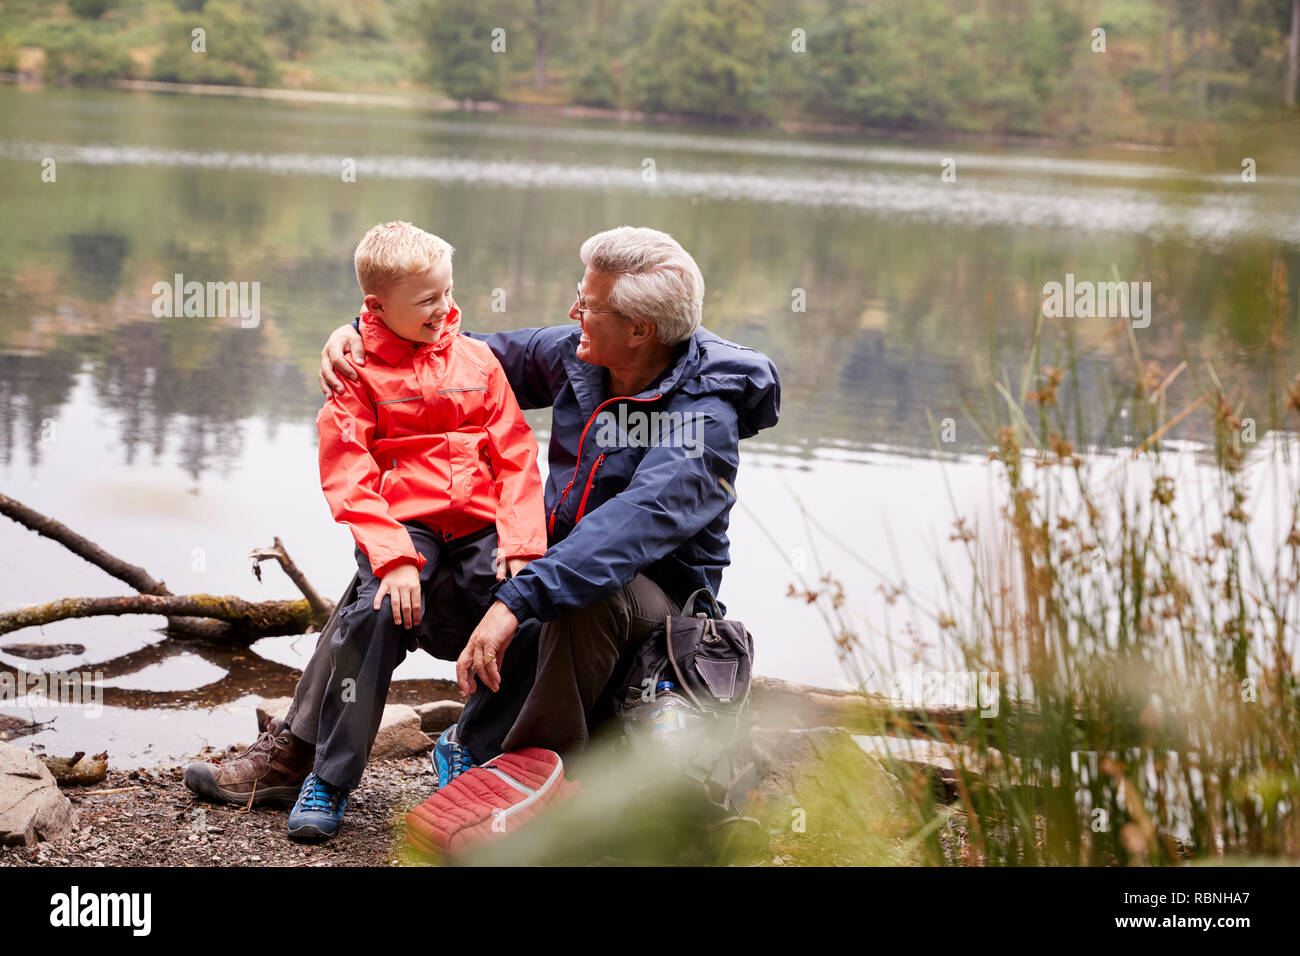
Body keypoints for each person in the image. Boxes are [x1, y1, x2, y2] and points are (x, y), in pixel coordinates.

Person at [186, 226, 780, 822]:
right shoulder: (582, 355)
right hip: (555, 576)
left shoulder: (704, 421)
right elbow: (444, 354)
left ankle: (510, 770)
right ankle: (301, 750)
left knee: (583, 587)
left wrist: (514, 601)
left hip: (646, 616)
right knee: (394, 570)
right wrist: (357, 337)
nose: (574, 312)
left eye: (588, 306)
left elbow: (623, 535)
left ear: (640, 330)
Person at [184, 221, 546, 843]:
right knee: (372, 615)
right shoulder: (355, 373)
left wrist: (519, 545)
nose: (445, 309)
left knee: (528, 613)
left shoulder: (479, 360)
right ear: (376, 308)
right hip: (404, 525)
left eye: (448, 292)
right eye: (428, 300)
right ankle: (328, 775)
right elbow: (347, 472)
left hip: (484, 524)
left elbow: (515, 456)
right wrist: (394, 556)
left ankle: (467, 747)